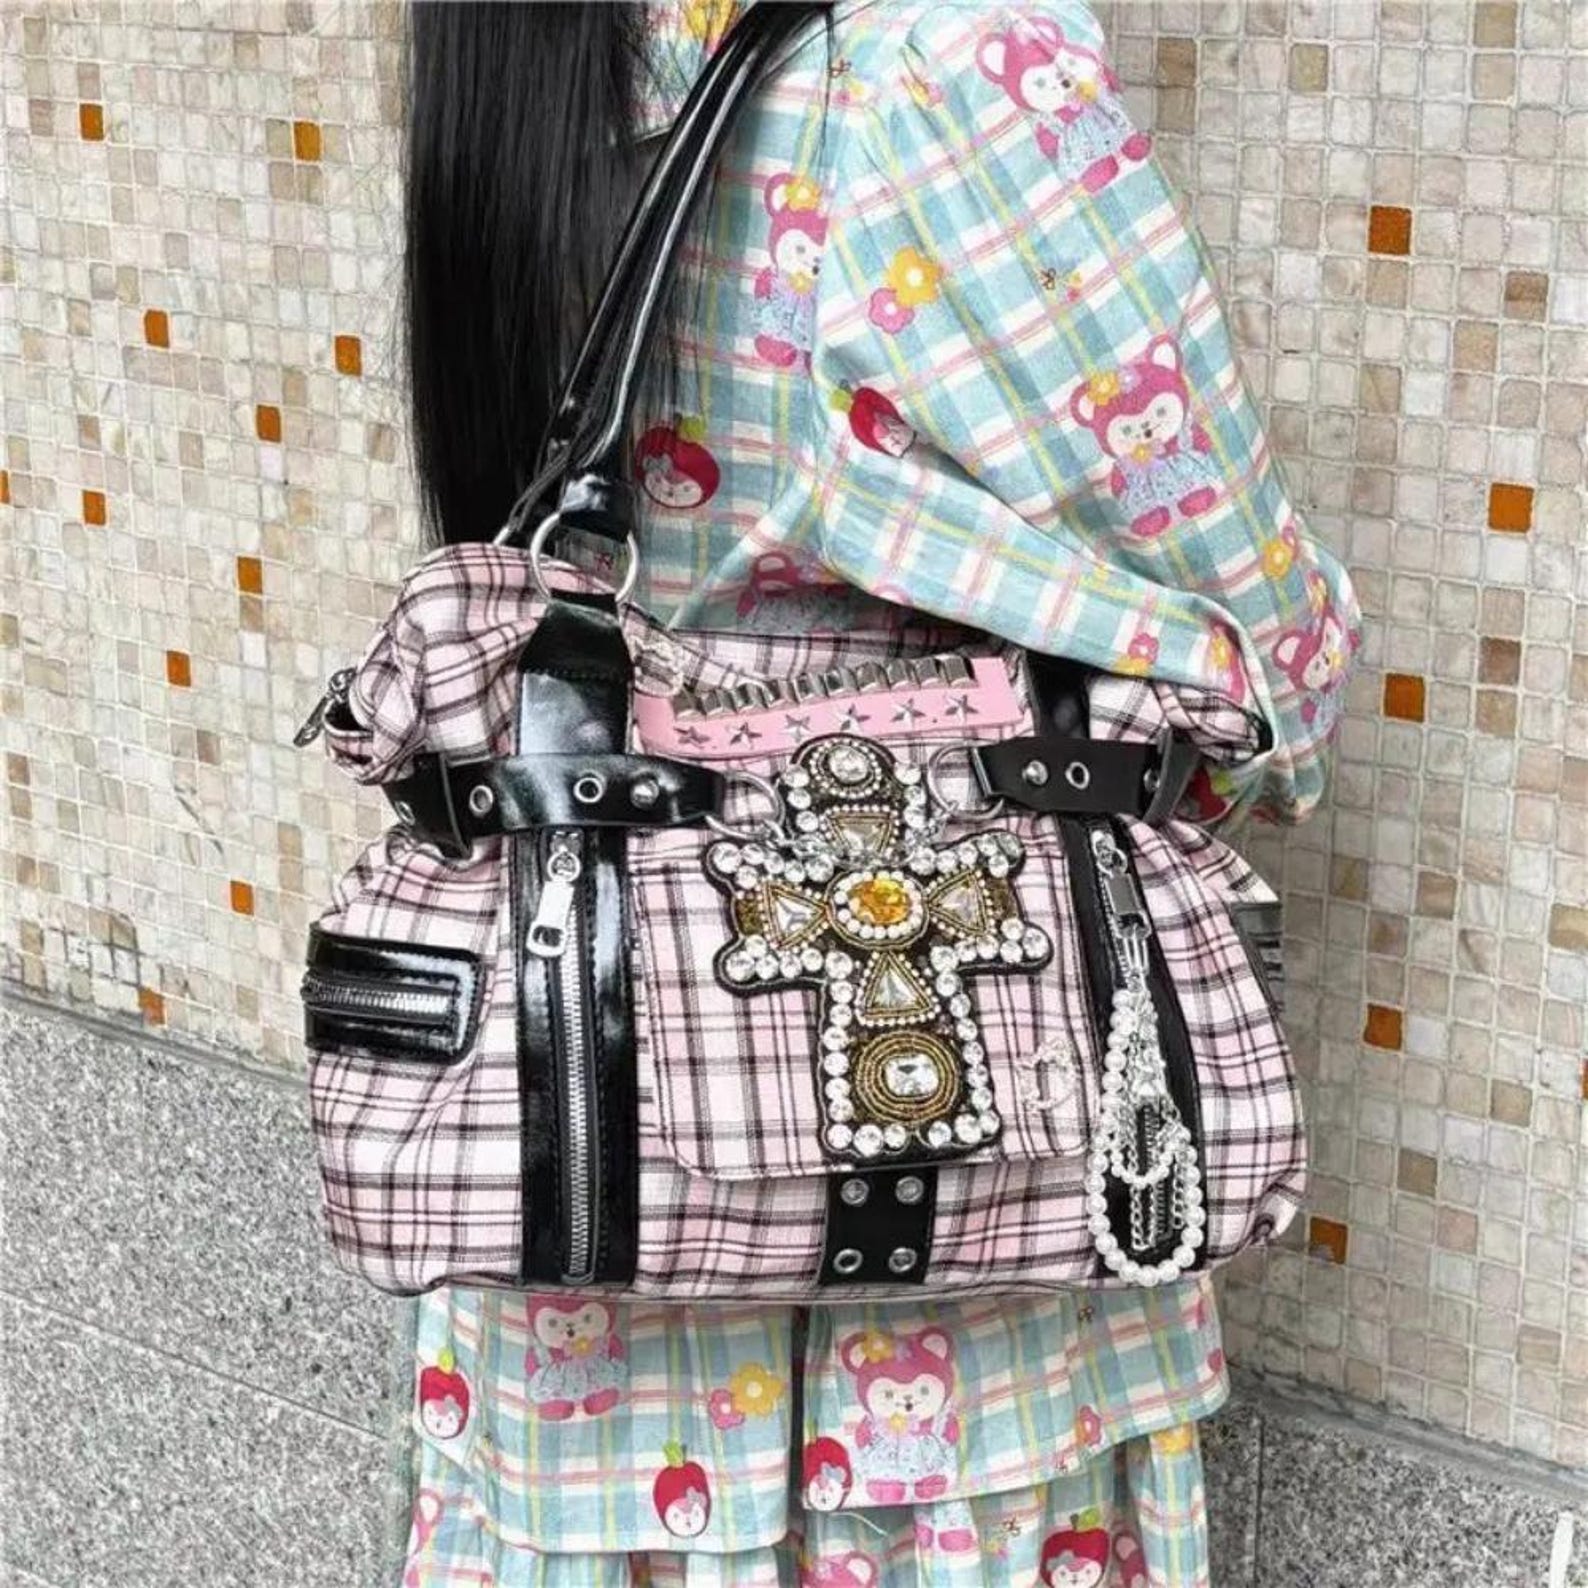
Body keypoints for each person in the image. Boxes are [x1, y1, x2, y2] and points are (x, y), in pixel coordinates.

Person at [397, 3, 1359, 1584]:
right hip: (946, 1323)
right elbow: (1267, 660)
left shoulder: (532, 47)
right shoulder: (937, 70)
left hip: (578, 1262)